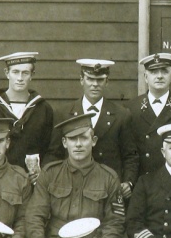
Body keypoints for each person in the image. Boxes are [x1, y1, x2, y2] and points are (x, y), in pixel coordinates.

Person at [25, 113, 126, 238]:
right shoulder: (50, 174)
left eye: (84, 138)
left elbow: (115, 222)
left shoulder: (109, 177)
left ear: (93, 141)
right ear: (65, 143)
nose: (78, 144)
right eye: (73, 139)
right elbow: (34, 215)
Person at [45, 59, 138, 197]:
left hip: (107, 188)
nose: (95, 84)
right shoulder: (64, 113)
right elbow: (54, 153)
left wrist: (128, 182)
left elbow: (130, 155)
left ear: (107, 82)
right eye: (90, 79)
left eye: (100, 80)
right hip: (71, 186)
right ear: (81, 80)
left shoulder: (121, 115)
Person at [0, 52, 55, 178]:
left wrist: (42, 172)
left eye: (25, 73)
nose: (20, 78)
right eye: (15, 72)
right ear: (6, 73)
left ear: (32, 75)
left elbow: (50, 148)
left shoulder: (43, 108)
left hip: (31, 181)